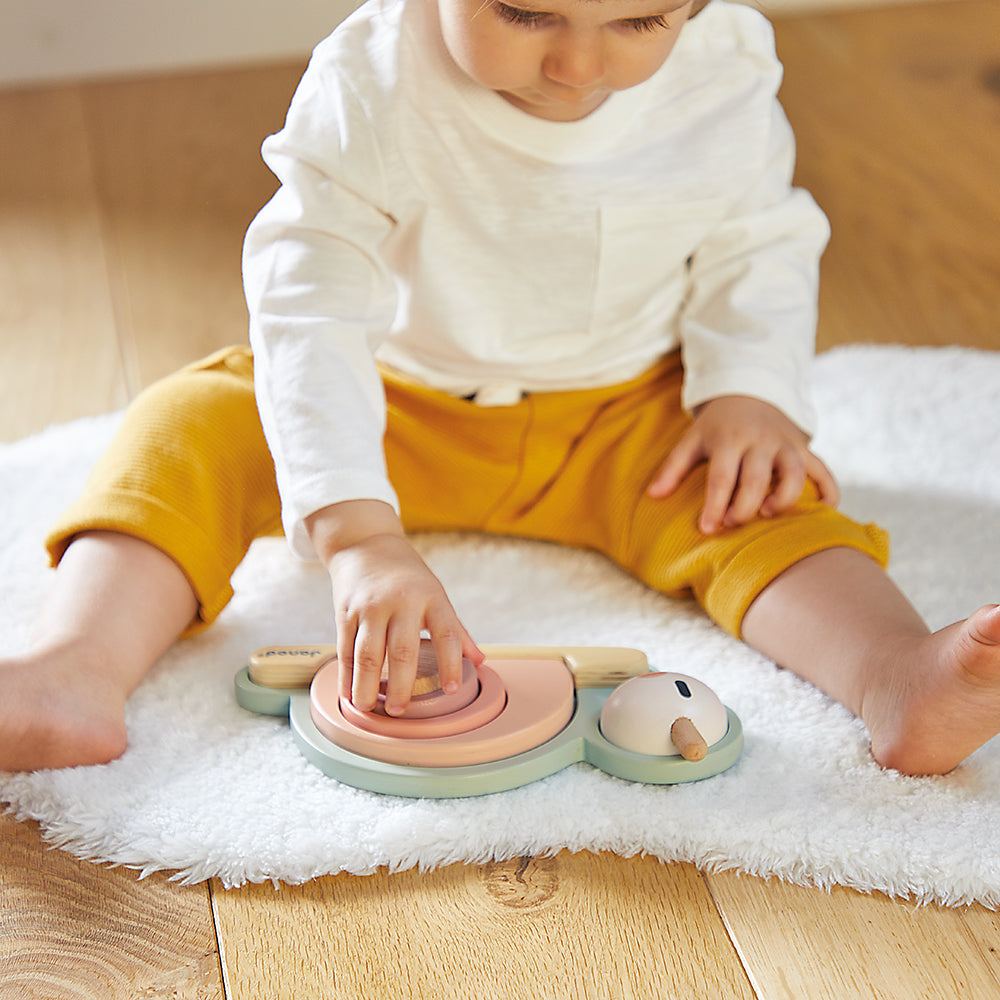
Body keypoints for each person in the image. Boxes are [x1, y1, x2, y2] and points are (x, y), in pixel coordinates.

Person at [3, 0, 999, 778]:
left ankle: (891, 673)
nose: (576, 65)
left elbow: (760, 240)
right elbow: (310, 301)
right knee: (189, 423)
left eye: (639, 22)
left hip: (625, 420)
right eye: (524, 15)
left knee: (757, 488)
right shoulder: (373, 80)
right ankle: (77, 666)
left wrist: (746, 392)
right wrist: (357, 535)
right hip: (400, 405)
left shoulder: (724, 70)